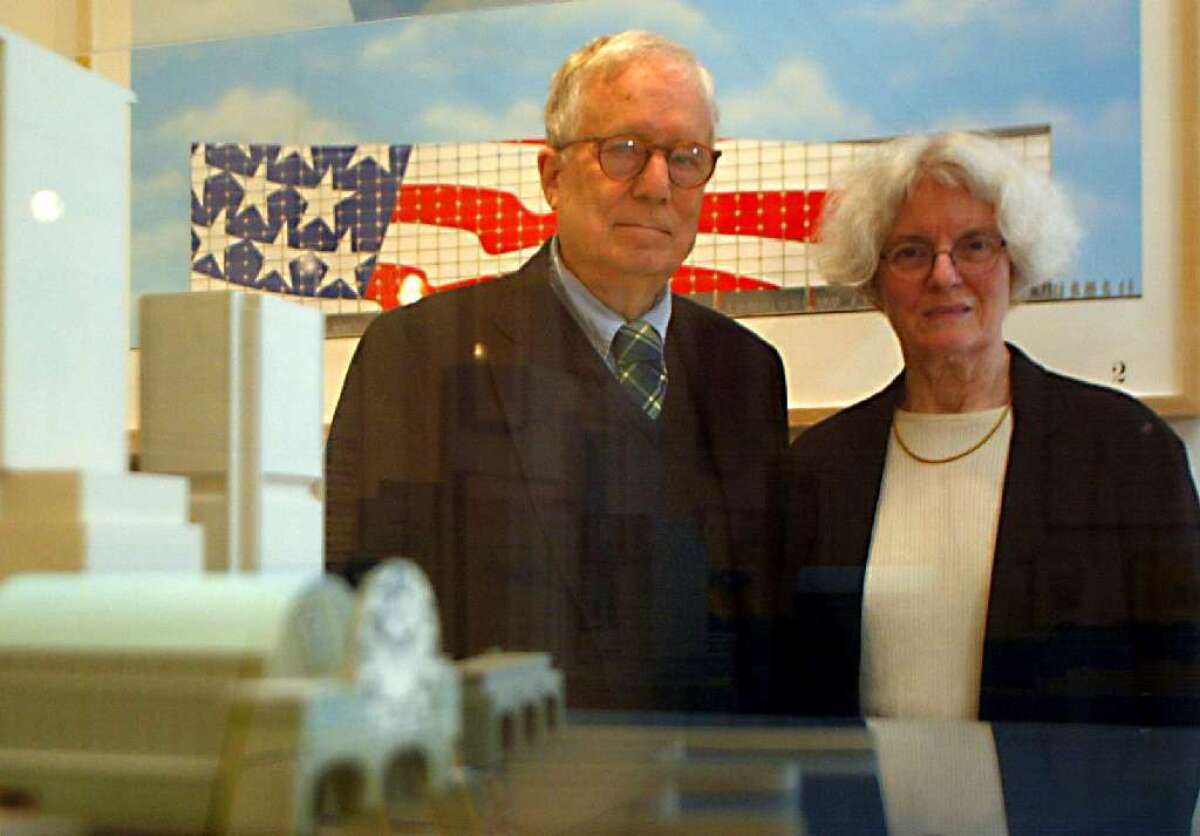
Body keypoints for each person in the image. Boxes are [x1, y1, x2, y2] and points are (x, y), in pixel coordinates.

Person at [326, 31, 787, 712]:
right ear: (551, 176)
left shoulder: (745, 373)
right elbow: (361, 613)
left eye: (686, 158)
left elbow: (762, 633)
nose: (658, 186)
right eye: (623, 150)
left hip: (699, 791)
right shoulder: (417, 355)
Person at [783, 130, 1200, 725]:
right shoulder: (817, 472)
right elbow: (793, 696)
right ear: (876, 282)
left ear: (1016, 264)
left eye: (975, 246)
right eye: (911, 251)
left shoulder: (1125, 454)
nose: (945, 274)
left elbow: (1181, 694)